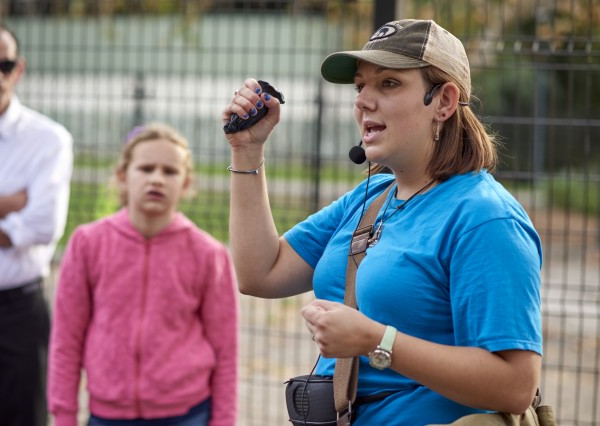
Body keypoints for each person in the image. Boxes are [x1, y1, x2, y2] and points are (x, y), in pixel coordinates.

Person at [222, 19, 542, 425]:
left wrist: (378, 340)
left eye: (388, 84)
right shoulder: (372, 197)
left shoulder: (485, 217)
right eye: (360, 86)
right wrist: (247, 151)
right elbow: (260, 273)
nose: (363, 101)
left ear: (443, 101)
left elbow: (515, 385)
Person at [48, 123, 239, 426]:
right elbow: (66, 341)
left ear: (186, 182)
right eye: (146, 168)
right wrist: (64, 416)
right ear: (123, 176)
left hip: (187, 413)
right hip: (107, 414)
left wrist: (223, 421)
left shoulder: (208, 254)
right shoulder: (88, 244)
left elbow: (226, 352)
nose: (157, 179)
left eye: (170, 171)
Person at [0, 21, 73, 426]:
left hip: (16, 309)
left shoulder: (50, 140)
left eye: (4, 66)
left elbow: (42, 227)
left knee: (24, 417)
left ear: (19, 69)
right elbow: (25, 222)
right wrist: (11, 204)